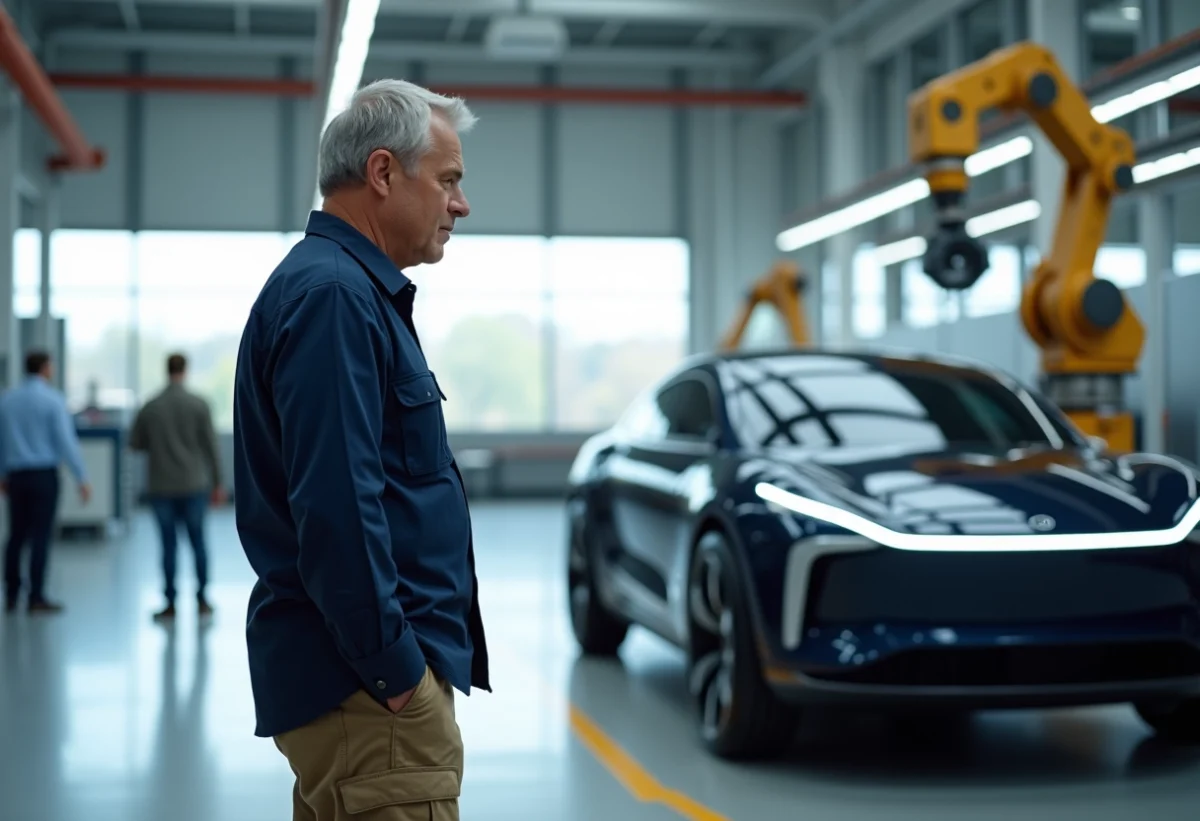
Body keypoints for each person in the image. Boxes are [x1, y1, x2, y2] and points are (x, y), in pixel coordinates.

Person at [232, 79, 490, 820]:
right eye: (448, 181)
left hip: (359, 691)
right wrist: (399, 675)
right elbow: (338, 510)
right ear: (382, 173)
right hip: (370, 696)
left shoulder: (345, 291)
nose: (460, 204)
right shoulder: (336, 298)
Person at [129, 353, 226, 621]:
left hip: (161, 486)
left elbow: (135, 444)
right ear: (186, 370)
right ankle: (202, 600)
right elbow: (211, 448)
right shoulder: (199, 404)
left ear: (166, 369)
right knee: (198, 543)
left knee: (168, 545)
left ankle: (170, 603)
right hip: (194, 484)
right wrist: (218, 483)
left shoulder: (151, 406)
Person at [0, 351, 90, 614]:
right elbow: (66, 441)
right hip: (43, 476)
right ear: (45, 368)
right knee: (40, 536)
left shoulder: (8, 400)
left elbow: (2, 440)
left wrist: (2, 473)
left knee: (16, 535)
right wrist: (81, 477)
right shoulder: (53, 400)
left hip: (16, 476)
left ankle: (11, 594)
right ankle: (36, 597)